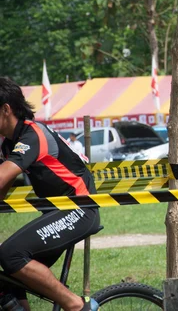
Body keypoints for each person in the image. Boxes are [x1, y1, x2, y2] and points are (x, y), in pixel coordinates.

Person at [0, 77, 100, 311]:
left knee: (10, 254)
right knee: (11, 281)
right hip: (60, 212)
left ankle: (75, 305)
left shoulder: (33, 135)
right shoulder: (9, 144)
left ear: (5, 109)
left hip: (79, 210)